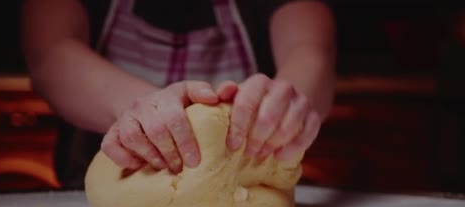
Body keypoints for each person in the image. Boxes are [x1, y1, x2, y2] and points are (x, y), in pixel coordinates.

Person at [21, 0, 336, 189]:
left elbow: (311, 53)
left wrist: (289, 101)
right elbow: (50, 54)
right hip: (91, 206)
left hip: (246, 194)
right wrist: (143, 108)